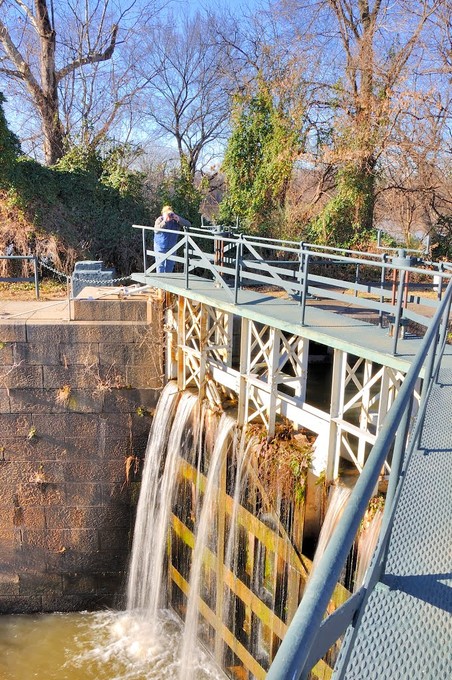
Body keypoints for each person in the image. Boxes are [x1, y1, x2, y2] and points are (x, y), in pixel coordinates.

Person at [153, 205, 191, 273]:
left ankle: (167, 281)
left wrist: (179, 219)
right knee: (160, 266)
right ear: (163, 213)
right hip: (160, 246)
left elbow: (188, 224)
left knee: (170, 266)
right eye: (168, 214)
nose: (170, 216)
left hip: (172, 247)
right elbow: (156, 230)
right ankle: (160, 282)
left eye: (171, 214)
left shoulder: (175, 221)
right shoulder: (160, 219)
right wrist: (165, 221)